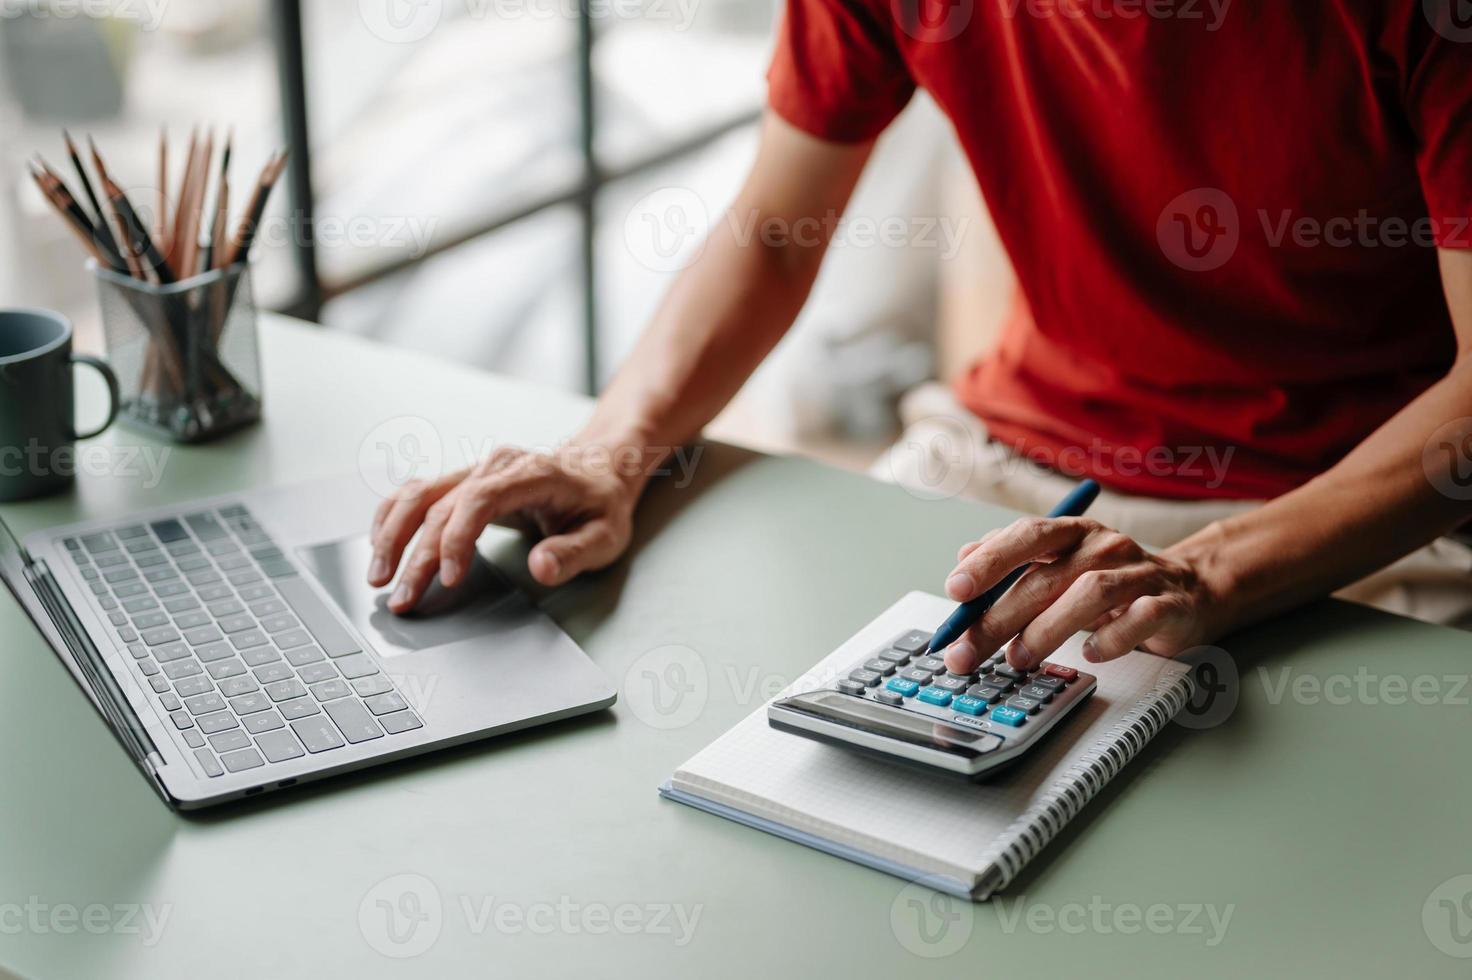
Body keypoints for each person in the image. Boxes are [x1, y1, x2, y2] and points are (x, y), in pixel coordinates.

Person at [367, 0, 1472, 672]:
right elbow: (772, 229)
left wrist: (1207, 571)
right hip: (1016, 469)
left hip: (1371, 512)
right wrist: (613, 445)